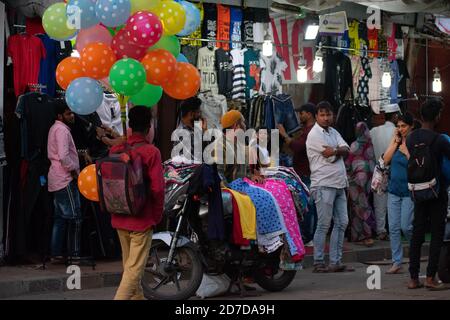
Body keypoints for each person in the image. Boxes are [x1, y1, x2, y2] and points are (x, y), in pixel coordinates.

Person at [110, 106, 165, 300]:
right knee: (133, 272)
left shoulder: (116, 149)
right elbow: (158, 189)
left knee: (131, 267)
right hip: (141, 219)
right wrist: (157, 215)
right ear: (149, 126)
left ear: (131, 126)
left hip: (119, 215)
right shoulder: (152, 152)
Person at [406, 99, 450, 290]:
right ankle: (431, 278)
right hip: (436, 191)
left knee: (417, 233)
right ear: (437, 116)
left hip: (417, 190)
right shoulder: (439, 139)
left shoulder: (411, 138)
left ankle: (413, 278)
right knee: (437, 234)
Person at [306, 101, 352, 273]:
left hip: (339, 183)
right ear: (317, 116)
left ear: (332, 116)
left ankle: (336, 261)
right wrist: (337, 152)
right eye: (322, 115)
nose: (326, 118)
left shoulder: (333, 132)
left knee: (342, 222)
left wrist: (335, 151)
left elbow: (346, 149)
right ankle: (318, 262)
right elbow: (333, 156)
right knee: (324, 224)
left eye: (328, 115)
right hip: (323, 184)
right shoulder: (314, 135)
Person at [47, 101, 82, 262]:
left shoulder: (56, 129)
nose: (72, 116)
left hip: (57, 178)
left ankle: (56, 254)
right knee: (74, 217)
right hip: (64, 178)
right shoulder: (61, 130)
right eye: (68, 113)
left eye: (72, 113)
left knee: (60, 218)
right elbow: (63, 156)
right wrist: (74, 171)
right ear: (60, 116)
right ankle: (73, 254)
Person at [278, 102, 317, 246]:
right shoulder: (307, 130)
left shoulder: (310, 131)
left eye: (302, 113)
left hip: (306, 173)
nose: (299, 115)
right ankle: (310, 236)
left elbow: (297, 146)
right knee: (308, 207)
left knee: (307, 207)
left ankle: (308, 237)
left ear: (309, 114)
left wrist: (283, 134)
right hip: (304, 173)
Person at [382, 113, 415, 274]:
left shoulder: (414, 142)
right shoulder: (395, 141)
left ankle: (415, 252)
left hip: (409, 191)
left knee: (406, 226)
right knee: (394, 228)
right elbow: (385, 160)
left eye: (404, 126)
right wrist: (395, 143)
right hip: (394, 190)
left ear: (411, 126)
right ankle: (397, 262)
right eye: (399, 126)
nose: (401, 129)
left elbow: (417, 165)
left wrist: (406, 151)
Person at [369, 104, 400, 241]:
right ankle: (395, 229)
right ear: (395, 116)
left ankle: (381, 230)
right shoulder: (397, 131)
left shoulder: (373, 131)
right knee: (394, 201)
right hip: (394, 169)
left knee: (379, 202)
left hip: (378, 170)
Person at [345, 122, 376, 247]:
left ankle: (364, 235)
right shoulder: (370, 145)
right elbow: (372, 162)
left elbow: (348, 164)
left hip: (356, 183)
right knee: (365, 205)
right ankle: (362, 235)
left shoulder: (354, 145)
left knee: (359, 208)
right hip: (368, 181)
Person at [212, 110, 263, 184]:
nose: (245, 126)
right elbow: (218, 175)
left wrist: (251, 176)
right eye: (243, 122)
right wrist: (232, 192)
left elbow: (245, 171)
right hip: (230, 192)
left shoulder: (239, 144)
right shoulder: (219, 146)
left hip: (243, 187)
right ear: (236, 125)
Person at [172, 96, 207, 163]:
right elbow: (194, 162)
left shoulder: (193, 129)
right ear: (191, 114)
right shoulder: (183, 133)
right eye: (198, 112)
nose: (200, 115)